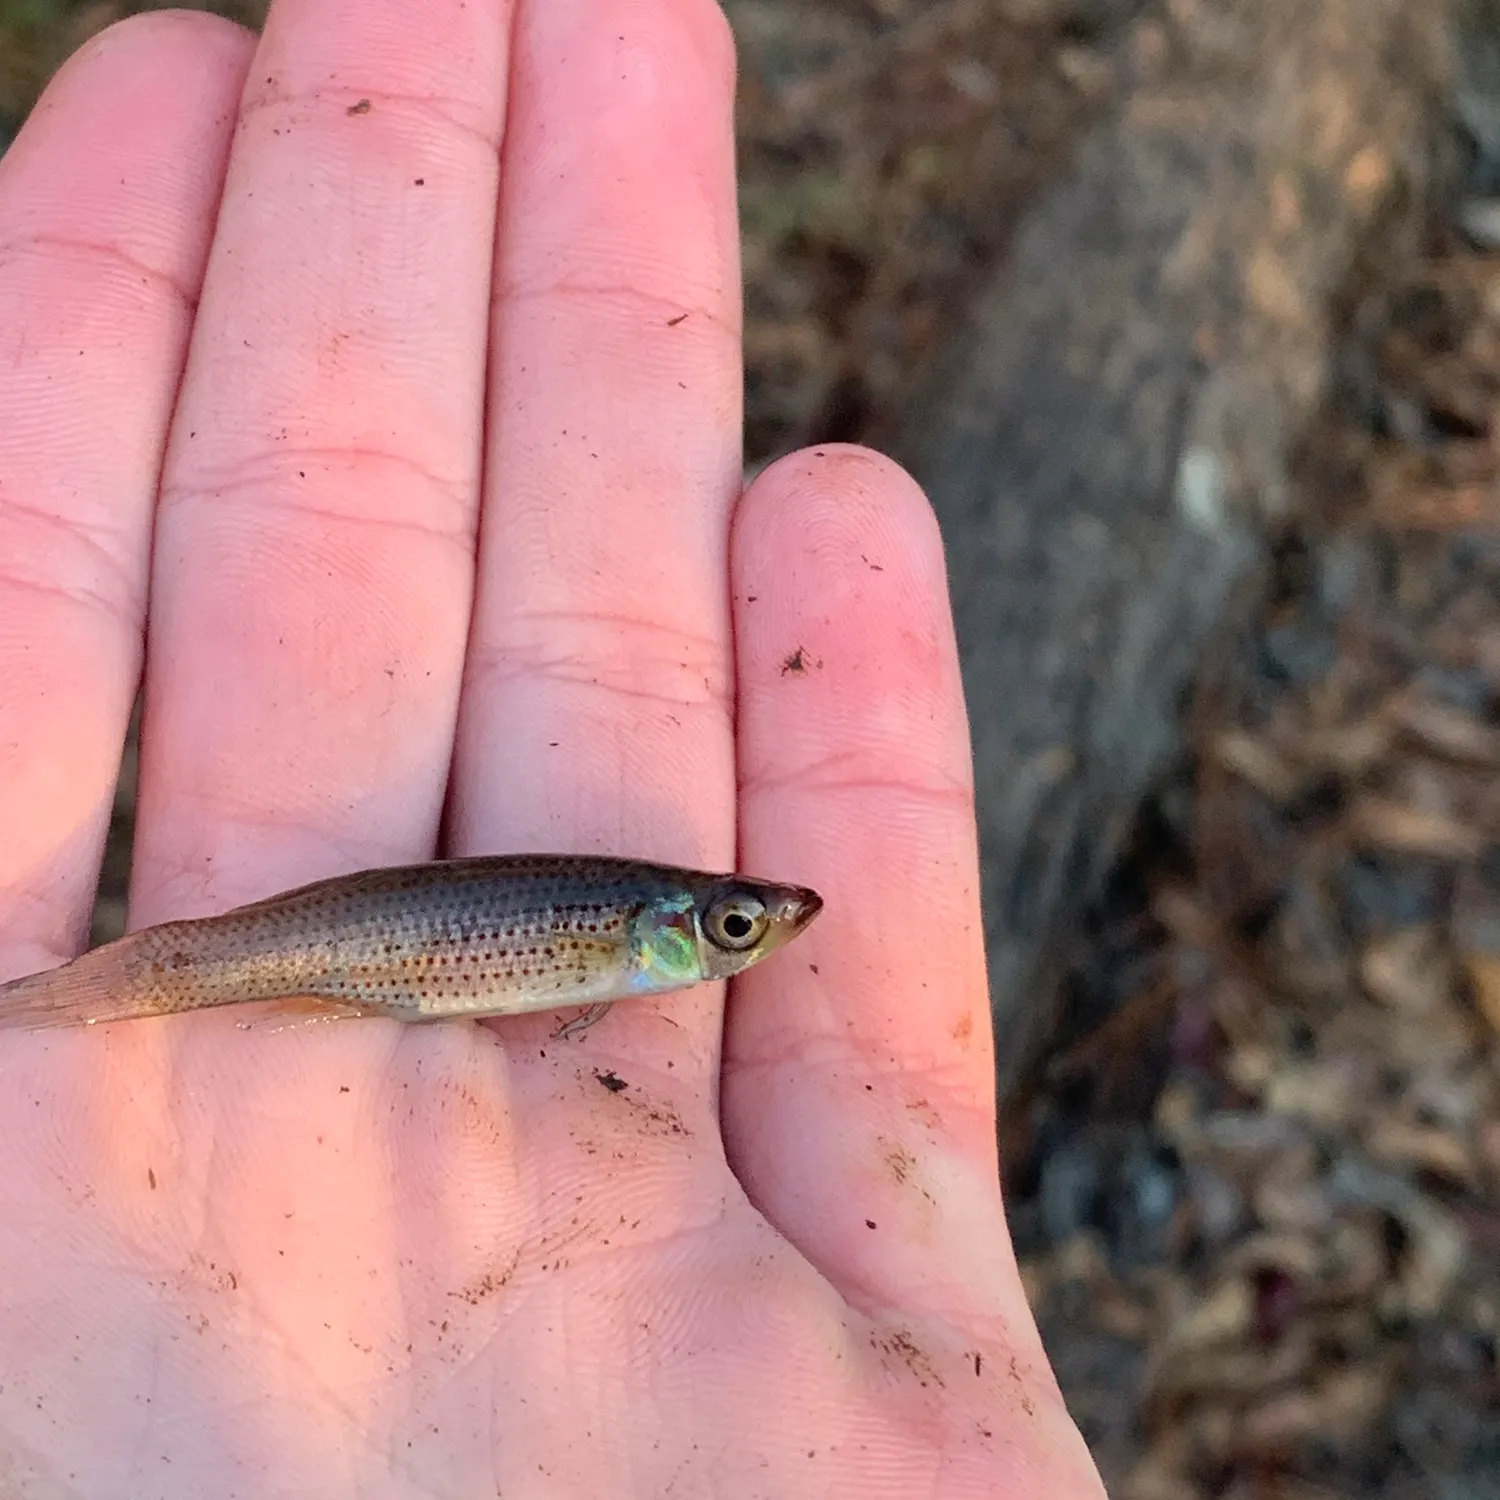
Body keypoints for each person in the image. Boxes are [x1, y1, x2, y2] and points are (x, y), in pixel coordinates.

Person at [0, 4, 1107, 1495]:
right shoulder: (621, 936)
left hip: (372, 969)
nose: (741, 938)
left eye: (730, 929)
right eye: (725, 925)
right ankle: (67, 1006)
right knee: (206, 956)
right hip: (354, 952)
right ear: (654, 928)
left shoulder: (625, 945)